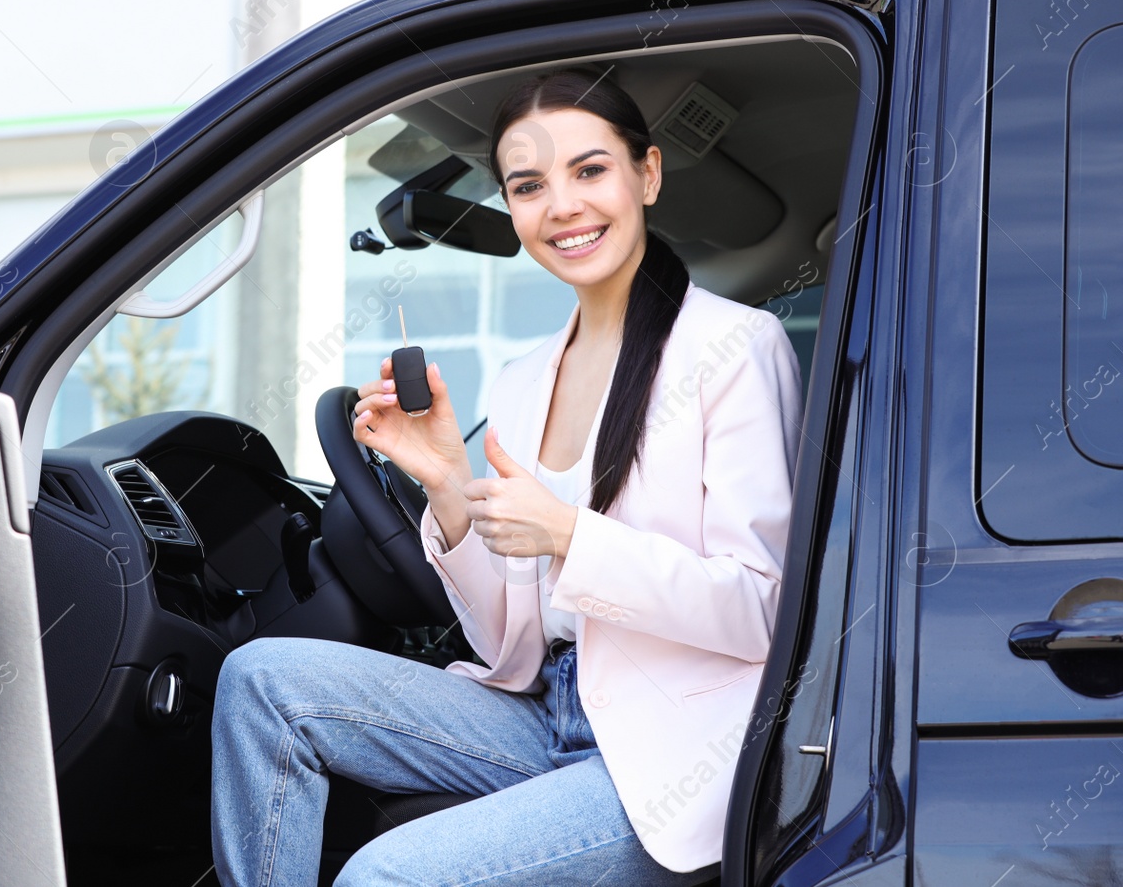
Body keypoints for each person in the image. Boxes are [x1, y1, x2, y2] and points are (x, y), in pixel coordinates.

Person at [210, 67, 803, 886]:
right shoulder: (522, 380)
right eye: (529, 185)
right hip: (544, 713)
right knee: (262, 680)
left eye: (590, 170)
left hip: (671, 757)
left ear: (649, 173)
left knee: (383, 877)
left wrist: (567, 534)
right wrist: (448, 482)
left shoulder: (736, 347)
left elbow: (760, 610)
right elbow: (511, 645)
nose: (562, 205)